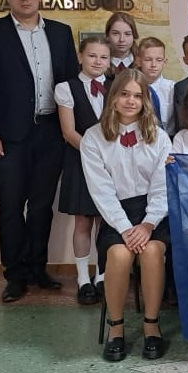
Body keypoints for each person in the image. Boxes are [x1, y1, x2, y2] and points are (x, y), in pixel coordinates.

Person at [0, 0, 79, 302]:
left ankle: (37, 269)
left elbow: (71, 84)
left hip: (51, 133)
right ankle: (14, 275)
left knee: (42, 206)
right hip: (8, 136)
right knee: (11, 206)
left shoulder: (60, 32)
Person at [80, 69, 171, 362]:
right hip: (115, 213)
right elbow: (101, 190)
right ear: (113, 97)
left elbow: (162, 186)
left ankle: (151, 325)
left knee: (152, 252)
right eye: (124, 94)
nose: (131, 101)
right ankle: (116, 328)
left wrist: (148, 223)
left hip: (152, 213)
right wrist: (123, 227)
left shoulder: (159, 137)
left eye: (138, 96)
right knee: (119, 255)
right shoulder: (93, 138)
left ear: (145, 101)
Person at [55, 35, 111, 305]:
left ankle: (102, 275)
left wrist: (110, 158)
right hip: (81, 161)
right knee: (83, 222)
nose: (98, 61)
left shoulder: (117, 86)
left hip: (112, 165)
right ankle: (82, 279)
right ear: (80, 56)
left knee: (106, 221)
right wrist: (95, 156)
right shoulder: (66, 88)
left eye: (103, 57)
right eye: (92, 55)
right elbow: (68, 132)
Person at [135, 37, 176, 135]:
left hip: (169, 138)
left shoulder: (173, 88)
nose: (154, 64)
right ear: (139, 61)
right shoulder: (131, 88)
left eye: (159, 60)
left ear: (164, 62)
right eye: (148, 59)